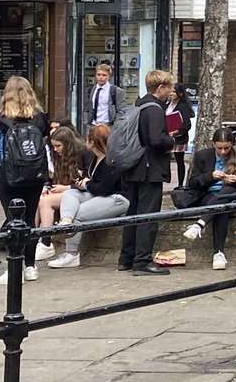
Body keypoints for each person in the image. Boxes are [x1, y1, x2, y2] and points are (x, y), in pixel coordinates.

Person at [0, 75, 51, 286]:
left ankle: (14, 268)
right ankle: (30, 267)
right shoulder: (40, 118)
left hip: (7, 175)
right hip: (35, 175)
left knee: (13, 220)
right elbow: (42, 145)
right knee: (30, 218)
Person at [48, 124, 130, 269]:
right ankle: (66, 222)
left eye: (88, 139)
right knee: (69, 193)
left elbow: (104, 189)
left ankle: (72, 254)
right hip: (99, 194)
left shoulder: (111, 161)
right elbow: (94, 184)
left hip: (117, 199)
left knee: (78, 214)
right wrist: (84, 182)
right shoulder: (95, 158)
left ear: (93, 142)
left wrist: (86, 184)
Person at [120, 70, 175, 275]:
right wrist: (171, 140)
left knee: (132, 213)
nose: (170, 92)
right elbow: (156, 139)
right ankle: (142, 261)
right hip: (150, 169)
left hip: (134, 167)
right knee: (148, 215)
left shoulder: (138, 105)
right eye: (168, 87)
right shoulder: (155, 110)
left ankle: (126, 258)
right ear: (160, 88)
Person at [180, 128, 236, 270]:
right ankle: (218, 253)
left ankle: (199, 225)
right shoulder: (202, 156)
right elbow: (192, 183)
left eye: (227, 148)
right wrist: (210, 177)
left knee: (227, 194)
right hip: (209, 194)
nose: (223, 152)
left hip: (232, 194)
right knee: (222, 209)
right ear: (213, 144)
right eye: (219, 148)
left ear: (232, 144)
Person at [36, 126, 88, 259]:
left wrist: (66, 188)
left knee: (45, 201)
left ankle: (46, 242)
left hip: (78, 192)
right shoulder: (59, 156)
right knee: (39, 197)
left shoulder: (83, 153)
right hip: (65, 190)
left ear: (68, 144)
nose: (55, 149)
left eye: (58, 146)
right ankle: (34, 240)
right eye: (54, 146)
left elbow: (88, 182)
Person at [168, 83, 194, 186]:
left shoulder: (183, 106)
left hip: (179, 138)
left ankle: (180, 184)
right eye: (170, 91)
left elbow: (187, 124)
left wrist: (177, 131)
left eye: (174, 92)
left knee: (179, 161)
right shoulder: (167, 104)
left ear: (180, 94)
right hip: (168, 136)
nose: (171, 94)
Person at [86, 62, 124, 127]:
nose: (101, 77)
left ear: (109, 76)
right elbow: (88, 108)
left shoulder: (115, 91)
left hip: (108, 126)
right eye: (98, 74)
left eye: (104, 75)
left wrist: (115, 125)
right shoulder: (91, 89)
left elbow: (121, 111)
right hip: (93, 125)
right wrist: (87, 123)